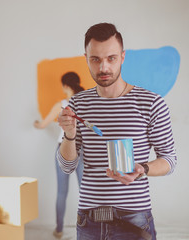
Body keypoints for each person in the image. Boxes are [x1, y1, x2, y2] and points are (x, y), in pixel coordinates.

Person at [56, 23, 177, 240]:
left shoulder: (151, 103)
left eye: (111, 58)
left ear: (122, 57)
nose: (103, 67)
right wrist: (69, 134)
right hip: (89, 221)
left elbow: (169, 160)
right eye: (95, 59)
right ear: (86, 58)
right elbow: (67, 167)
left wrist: (143, 169)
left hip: (134, 218)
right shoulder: (78, 105)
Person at [34, 72, 84, 239]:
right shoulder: (86, 103)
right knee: (86, 191)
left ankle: (59, 230)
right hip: (83, 150)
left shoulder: (61, 104)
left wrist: (37, 124)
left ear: (65, 86)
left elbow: (42, 125)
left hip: (63, 149)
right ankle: (88, 229)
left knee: (62, 192)